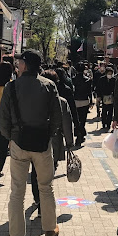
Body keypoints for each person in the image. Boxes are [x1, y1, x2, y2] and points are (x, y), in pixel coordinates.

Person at [0, 49, 62, 236]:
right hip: (42, 143)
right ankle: (50, 229)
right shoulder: (49, 86)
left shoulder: (11, 87)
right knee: (46, 187)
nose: (17, 66)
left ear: (25, 65)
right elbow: (57, 117)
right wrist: (48, 135)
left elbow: (2, 117)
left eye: (19, 63)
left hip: (18, 141)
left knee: (17, 190)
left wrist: (10, 137)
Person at [30, 69, 75, 218]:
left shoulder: (33, 99)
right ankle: (43, 202)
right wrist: (69, 143)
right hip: (53, 145)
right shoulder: (61, 102)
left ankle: (38, 199)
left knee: (35, 172)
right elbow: (67, 125)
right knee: (48, 175)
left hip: (34, 141)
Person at [73, 62, 93, 146]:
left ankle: (78, 134)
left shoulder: (73, 79)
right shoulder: (87, 80)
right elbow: (89, 92)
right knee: (83, 119)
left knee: (76, 120)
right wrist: (91, 101)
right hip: (85, 101)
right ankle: (81, 132)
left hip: (76, 101)